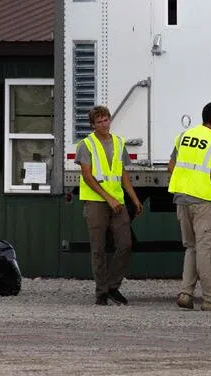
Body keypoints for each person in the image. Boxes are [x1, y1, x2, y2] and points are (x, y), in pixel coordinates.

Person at [167, 101, 211, 312]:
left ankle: (185, 294)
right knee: (205, 250)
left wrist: (185, 183)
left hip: (181, 198)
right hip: (202, 201)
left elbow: (171, 166)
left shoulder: (184, 136)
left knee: (191, 247)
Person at [77, 105, 142, 305]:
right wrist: (108, 198)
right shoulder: (86, 145)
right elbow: (87, 176)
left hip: (117, 200)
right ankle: (101, 292)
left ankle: (113, 286)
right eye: (99, 122)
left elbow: (122, 173)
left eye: (106, 120)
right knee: (98, 248)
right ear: (93, 125)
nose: (104, 124)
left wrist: (134, 199)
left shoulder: (119, 142)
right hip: (96, 201)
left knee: (125, 244)